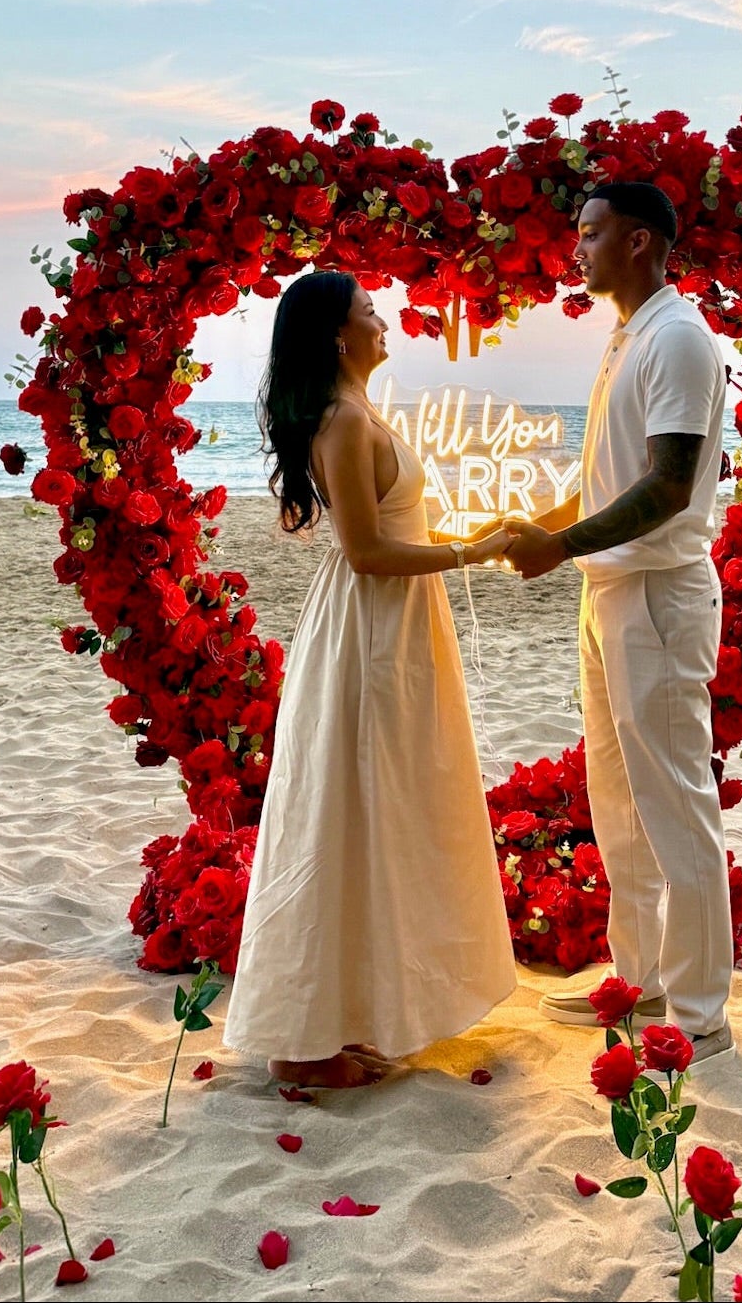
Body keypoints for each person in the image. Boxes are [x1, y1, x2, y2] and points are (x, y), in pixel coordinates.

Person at [223, 270, 518, 1089]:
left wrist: (469, 537)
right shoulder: (345, 421)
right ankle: (303, 1041)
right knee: (351, 807)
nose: (384, 321)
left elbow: (396, 527)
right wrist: (478, 551)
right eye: (369, 313)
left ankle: (349, 1012)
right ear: (336, 336)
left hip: (396, 624)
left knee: (382, 810)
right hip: (371, 628)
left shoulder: (361, 413)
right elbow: (366, 552)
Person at [503, 183, 734, 1066]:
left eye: (592, 234)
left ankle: (702, 1014)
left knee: (676, 802)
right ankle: (636, 982)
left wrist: (558, 544)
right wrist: (543, 529)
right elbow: (611, 483)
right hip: (607, 593)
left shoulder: (677, 338)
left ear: (641, 242)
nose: (579, 249)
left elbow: (669, 486)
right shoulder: (627, 335)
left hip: (659, 595)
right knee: (618, 802)